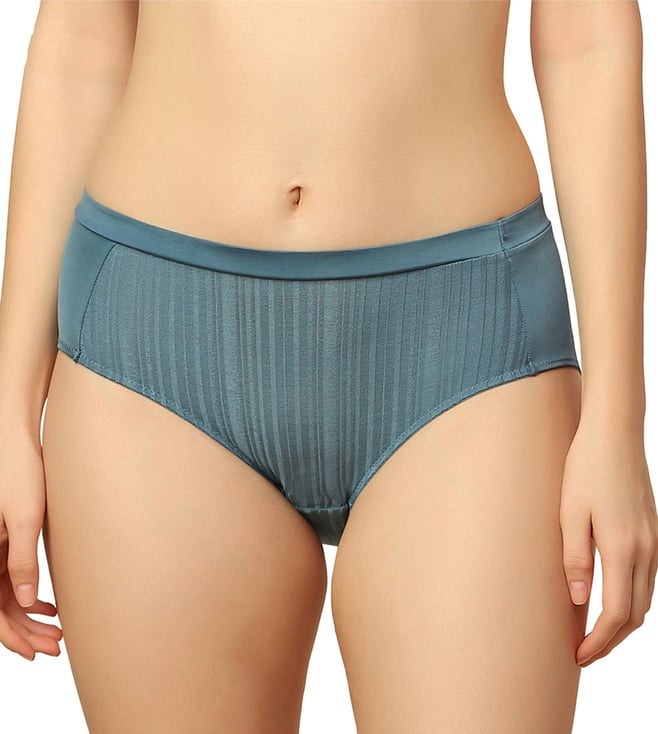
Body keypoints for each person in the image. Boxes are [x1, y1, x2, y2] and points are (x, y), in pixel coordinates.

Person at [0, 1, 656, 732]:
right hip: (154, 345)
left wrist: (617, 423)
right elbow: (81, 45)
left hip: (466, 340)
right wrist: (8, 419)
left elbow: (586, 37)